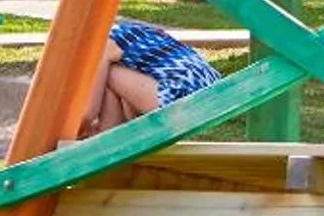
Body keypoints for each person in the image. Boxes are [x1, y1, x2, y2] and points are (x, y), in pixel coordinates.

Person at [79, 19, 221, 137]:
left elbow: (88, 114)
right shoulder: (128, 34)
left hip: (180, 92)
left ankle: (107, 135)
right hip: (213, 94)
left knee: (107, 73)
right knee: (111, 80)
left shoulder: (102, 45)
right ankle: (108, 135)